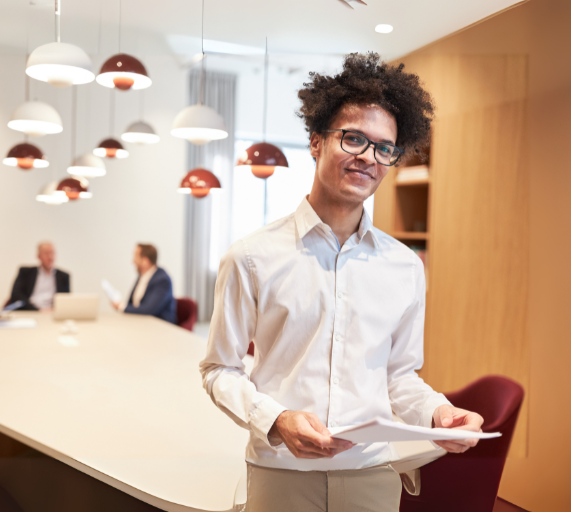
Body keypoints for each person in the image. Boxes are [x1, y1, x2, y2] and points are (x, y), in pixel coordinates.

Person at [198, 53, 484, 511]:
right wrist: (276, 420)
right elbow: (219, 370)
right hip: (281, 473)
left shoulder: (405, 266)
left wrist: (439, 413)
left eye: (383, 147)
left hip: (372, 474)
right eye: (353, 139)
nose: (367, 158)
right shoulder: (251, 257)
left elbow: (398, 376)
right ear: (316, 142)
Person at [111, 244, 176, 324]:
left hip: (159, 328)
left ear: (145, 261)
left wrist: (121, 306)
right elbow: (132, 303)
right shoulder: (142, 276)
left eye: (135, 257)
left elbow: (149, 310)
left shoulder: (162, 280)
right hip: (140, 323)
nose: (133, 261)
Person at [8, 241, 71, 311]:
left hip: (52, 313)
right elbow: (16, 295)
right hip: (29, 311)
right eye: (46, 253)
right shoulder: (26, 273)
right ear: (38, 256)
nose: (50, 257)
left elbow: (66, 300)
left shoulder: (64, 276)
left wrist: (53, 310)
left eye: (52, 253)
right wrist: (37, 310)